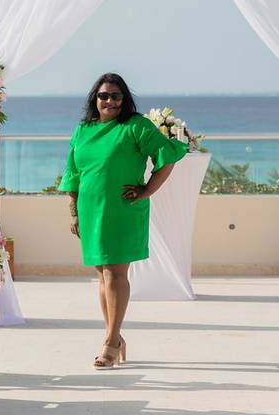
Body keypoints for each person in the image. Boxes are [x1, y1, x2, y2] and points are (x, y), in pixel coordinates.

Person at [58, 73, 188, 369]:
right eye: (104, 95)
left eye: (116, 96)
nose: (110, 101)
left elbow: (168, 156)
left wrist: (147, 191)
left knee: (116, 274)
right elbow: (73, 172)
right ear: (95, 98)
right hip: (90, 210)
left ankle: (111, 342)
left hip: (122, 208)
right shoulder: (83, 129)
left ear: (124, 99)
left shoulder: (135, 126)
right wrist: (73, 211)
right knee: (103, 275)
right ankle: (114, 336)